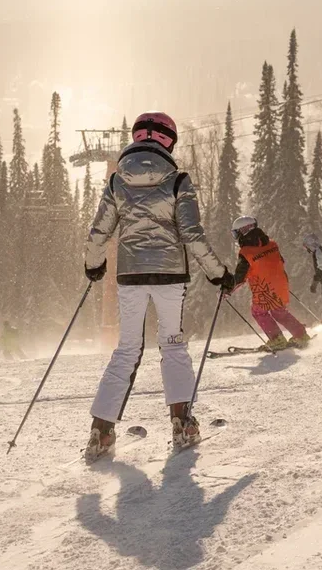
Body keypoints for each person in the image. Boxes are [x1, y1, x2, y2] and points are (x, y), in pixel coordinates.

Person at [83, 112, 233, 461]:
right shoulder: (178, 181)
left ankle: (101, 431)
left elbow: (99, 232)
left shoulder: (117, 182)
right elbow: (191, 235)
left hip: (131, 276)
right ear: (170, 142)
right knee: (173, 346)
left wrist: (93, 265)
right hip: (169, 276)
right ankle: (182, 424)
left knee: (127, 350)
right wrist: (218, 272)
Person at [227, 216, 311, 351]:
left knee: (258, 312)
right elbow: (280, 261)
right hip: (281, 284)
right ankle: (301, 335)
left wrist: (227, 290)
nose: (236, 237)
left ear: (243, 230)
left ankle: (276, 339)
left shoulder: (246, 252)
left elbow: (240, 277)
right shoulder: (272, 244)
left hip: (264, 289)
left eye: (236, 233)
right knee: (279, 312)